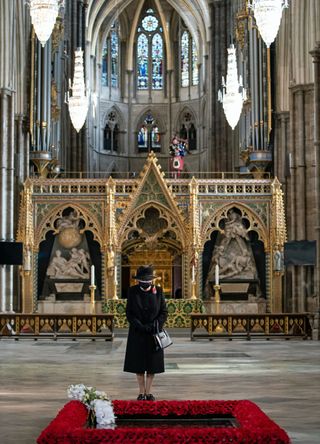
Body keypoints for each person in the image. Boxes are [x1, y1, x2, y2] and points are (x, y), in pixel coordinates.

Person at [123, 265, 168, 401]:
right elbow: (129, 312)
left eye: (147, 280)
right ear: (138, 281)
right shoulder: (132, 291)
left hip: (153, 333)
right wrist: (139, 325)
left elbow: (164, 312)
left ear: (151, 280)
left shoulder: (159, 291)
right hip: (137, 333)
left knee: (152, 365)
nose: (145, 282)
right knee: (139, 364)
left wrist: (155, 325)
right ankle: (141, 392)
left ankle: (149, 392)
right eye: (142, 280)